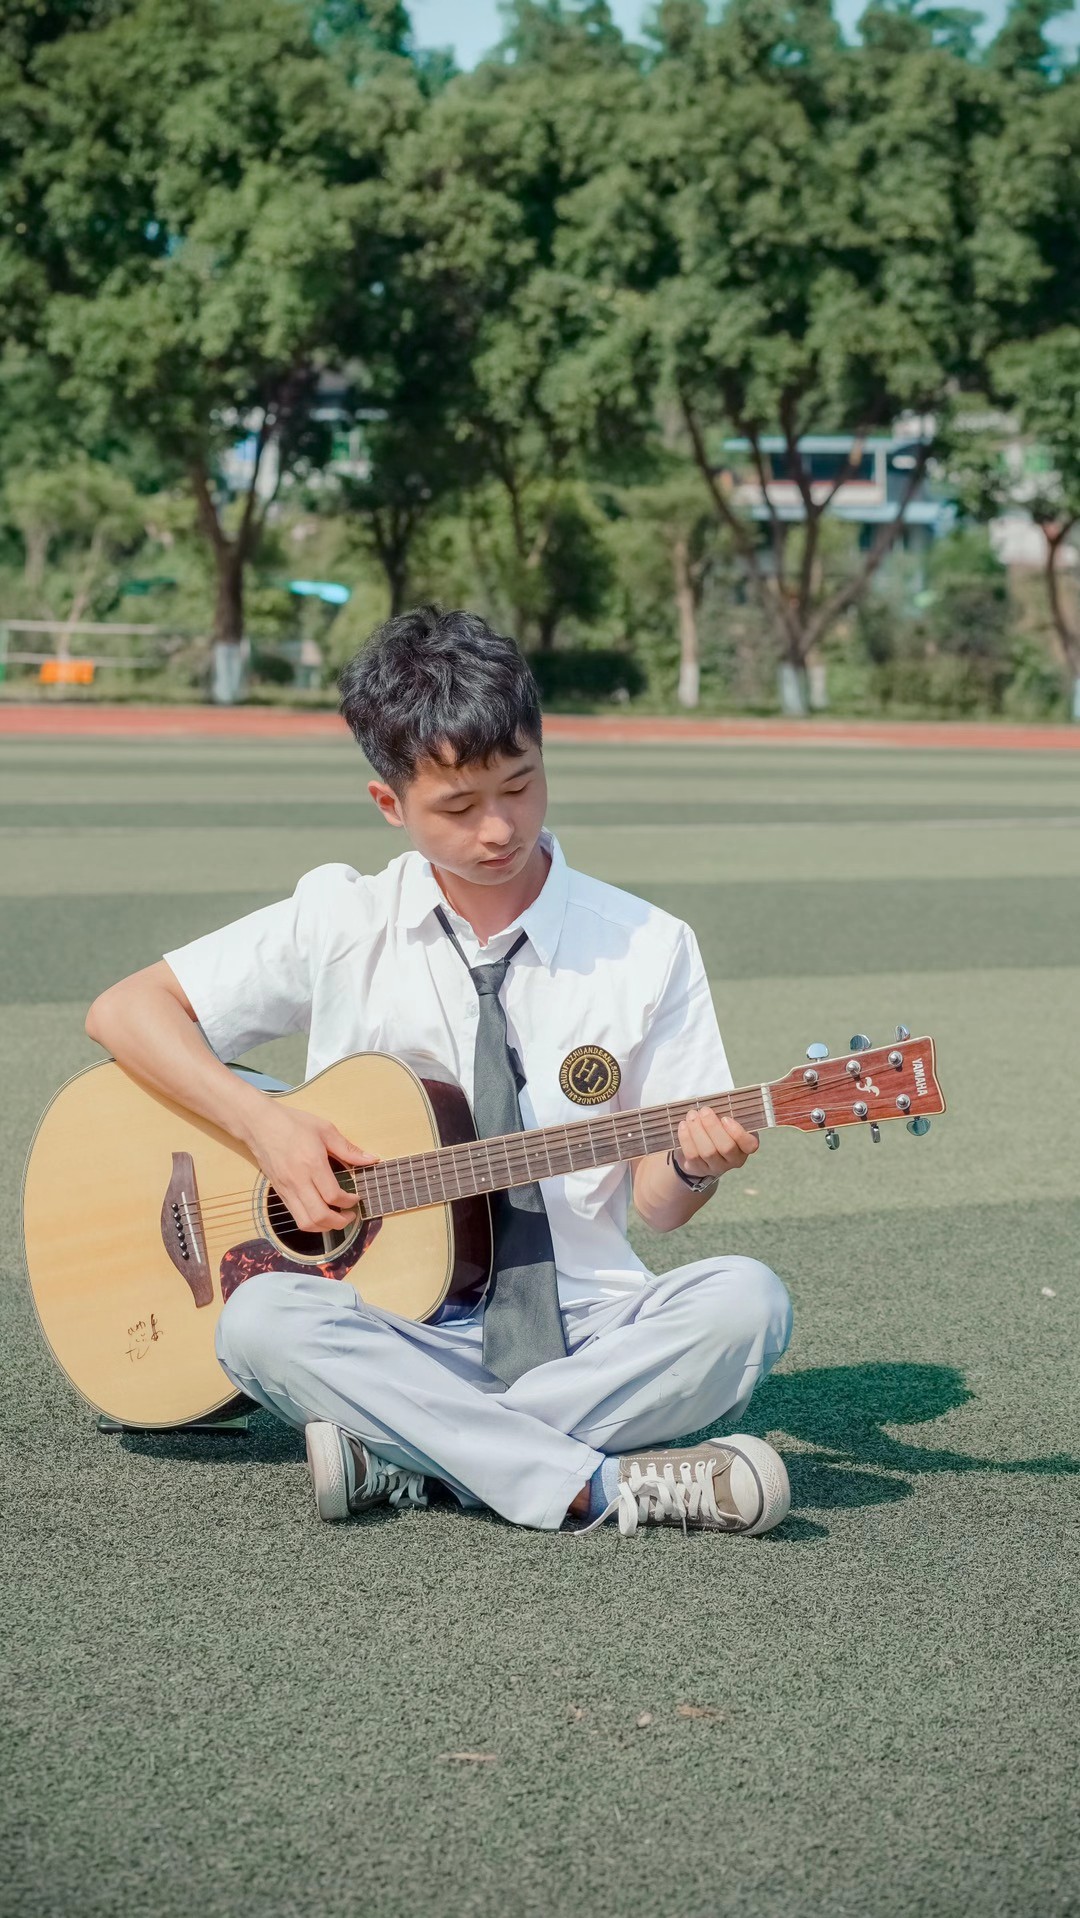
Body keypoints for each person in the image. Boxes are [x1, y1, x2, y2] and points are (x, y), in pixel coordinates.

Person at [85, 607, 793, 1537]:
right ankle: (599, 1486)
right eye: (458, 808)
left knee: (746, 1303)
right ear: (391, 805)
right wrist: (267, 1126)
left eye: (522, 786)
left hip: (587, 1327)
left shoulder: (648, 946)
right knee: (258, 1322)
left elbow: (659, 1209)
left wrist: (694, 1165)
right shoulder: (342, 920)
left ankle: (411, 1456)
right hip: (385, 1327)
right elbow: (125, 1011)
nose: (499, 828)